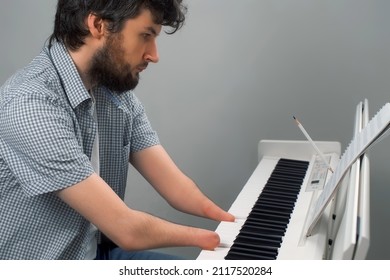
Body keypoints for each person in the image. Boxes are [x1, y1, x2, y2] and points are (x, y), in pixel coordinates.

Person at [0, 0, 235, 260]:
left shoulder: (116, 95)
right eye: (146, 35)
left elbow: (178, 188)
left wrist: (233, 220)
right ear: (98, 25)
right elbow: (128, 230)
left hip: (99, 253)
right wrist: (213, 239)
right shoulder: (30, 102)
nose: (154, 55)